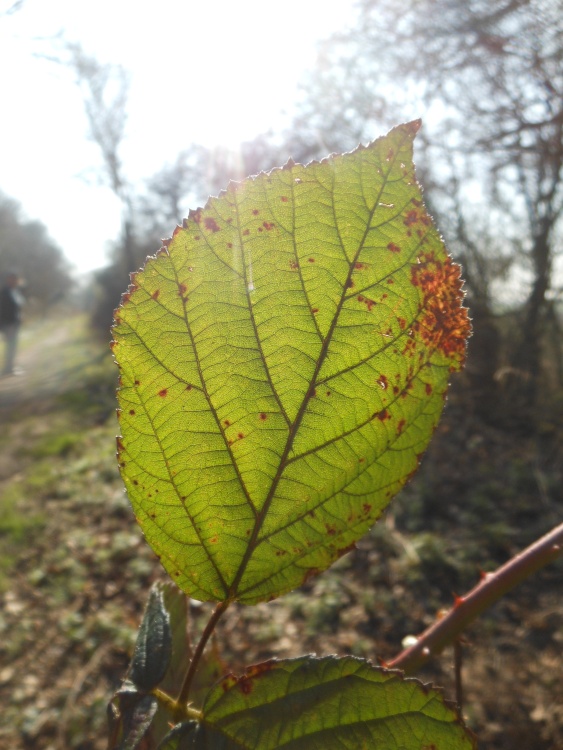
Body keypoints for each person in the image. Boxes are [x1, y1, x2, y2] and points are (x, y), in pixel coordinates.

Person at [0, 271, 25, 376]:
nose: (14, 280)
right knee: (11, 346)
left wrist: (20, 317)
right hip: (8, 323)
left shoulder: (16, 291)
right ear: (8, 279)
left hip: (14, 323)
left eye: (15, 279)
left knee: (12, 346)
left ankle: (10, 367)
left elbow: (17, 307)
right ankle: (8, 369)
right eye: (11, 278)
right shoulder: (4, 292)